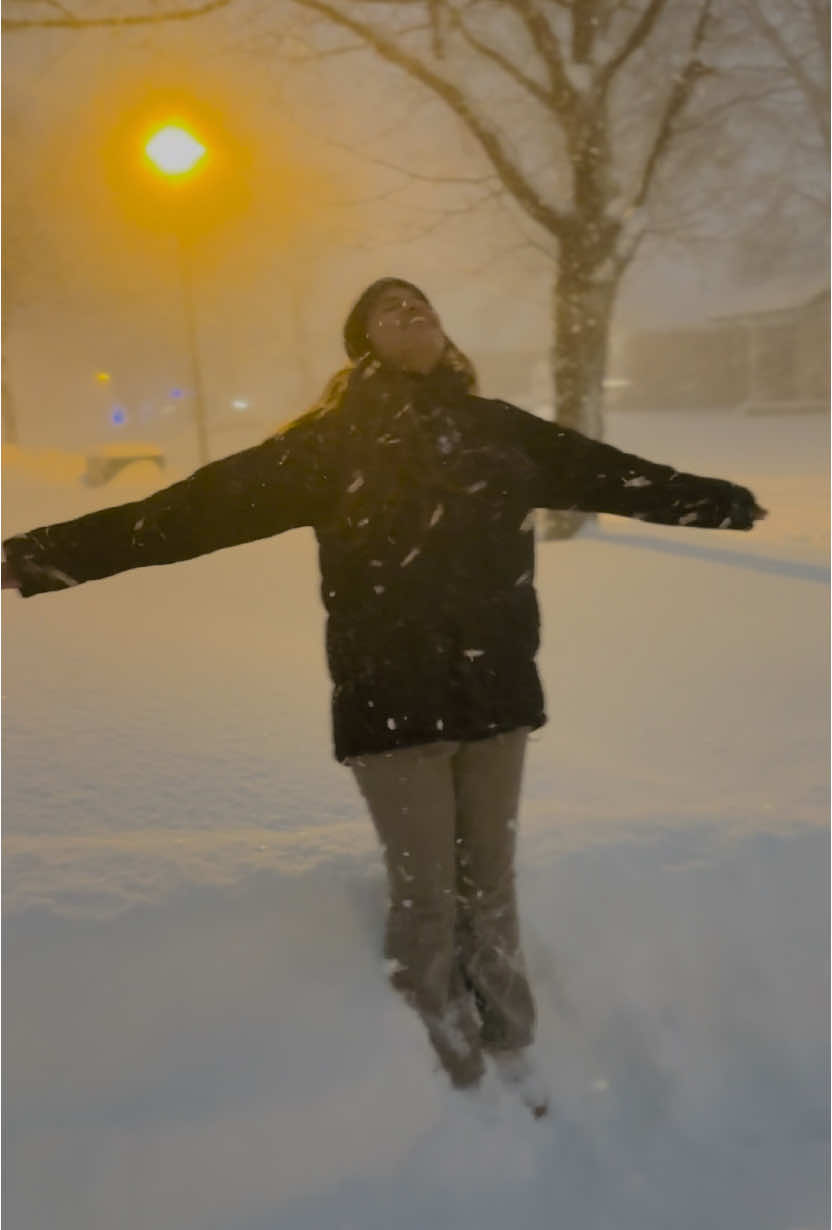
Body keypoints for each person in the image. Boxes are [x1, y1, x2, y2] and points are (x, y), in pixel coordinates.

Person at [2, 277, 766, 1117]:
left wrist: (720, 503)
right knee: (429, 898)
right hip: (392, 709)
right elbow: (188, 514)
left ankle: (512, 1041)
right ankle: (446, 1075)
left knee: (493, 887)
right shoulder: (332, 446)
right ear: (361, 341)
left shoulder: (498, 432)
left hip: (497, 697)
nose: (415, 313)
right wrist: (41, 555)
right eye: (391, 307)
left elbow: (616, 476)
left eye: (425, 304)